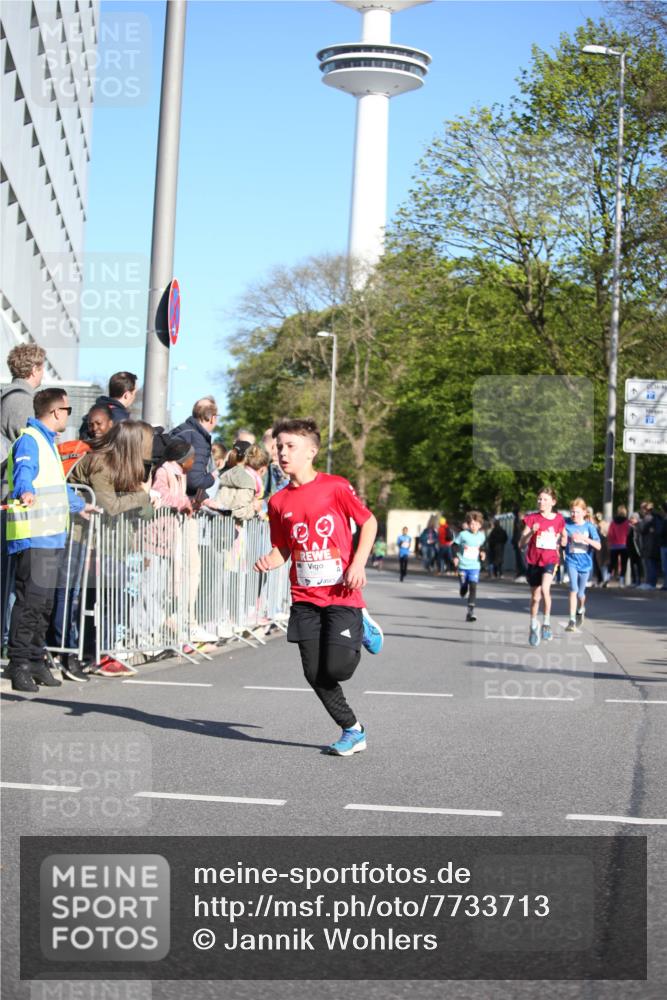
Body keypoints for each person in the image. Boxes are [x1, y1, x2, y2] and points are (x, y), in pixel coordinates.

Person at [254, 418, 382, 757]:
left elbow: (369, 522)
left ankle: (362, 624)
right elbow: (283, 548)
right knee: (315, 674)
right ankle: (353, 730)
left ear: (311, 452)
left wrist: (358, 564)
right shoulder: (278, 502)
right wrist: (269, 560)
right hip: (305, 598)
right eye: (279, 447)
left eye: (290, 446)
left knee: (337, 669)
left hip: (341, 594)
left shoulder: (335, 487)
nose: (282, 453)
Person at [4, 388, 97, 691]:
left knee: (44, 606)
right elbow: (24, 471)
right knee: (30, 604)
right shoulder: (30, 440)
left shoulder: (48, 443)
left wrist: (80, 505)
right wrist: (25, 490)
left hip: (51, 537)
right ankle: (18, 663)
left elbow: (57, 486)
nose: (68, 415)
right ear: (57, 411)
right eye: (67, 410)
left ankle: (35, 659)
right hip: (33, 536)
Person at [69, 420, 156, 676]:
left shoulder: (128, 467)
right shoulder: (100, 463)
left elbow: (146, 513)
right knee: (93, 601)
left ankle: (102, 653)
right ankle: (92, 654)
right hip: (84, 540)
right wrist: (143, 495)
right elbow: (110, 506)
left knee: (110, 600)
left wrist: (144, 494)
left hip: (112, 544)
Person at [519, 488, 567, 646]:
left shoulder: (559, 519)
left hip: (550, 560)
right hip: (534, 561)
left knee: (546, 589)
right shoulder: (531, 518)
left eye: (545, 499)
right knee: (535, 598)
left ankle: (546, 624)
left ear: (553, 502)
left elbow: (564, 535)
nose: (541, 502)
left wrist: (563, 542)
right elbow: (521, 543)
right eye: (539, 499)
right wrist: (530, 533)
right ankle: (533, 625)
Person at [563, 498, 601, 632]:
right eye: (572, 512)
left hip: (585, 563)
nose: (574, 515)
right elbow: (560, 537)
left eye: (577, 512)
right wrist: (564, 539)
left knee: (580, 593)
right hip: (571, 560)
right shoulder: (566, 524)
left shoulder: (589, 527)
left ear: (584, 513)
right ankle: (572, 620)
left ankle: (581, 609)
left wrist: (584, 538)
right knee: (573, 588)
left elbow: (598, 546)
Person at [202, 443, 269, 520]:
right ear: (263, 469)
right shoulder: (247, 481)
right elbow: (239, 511)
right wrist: (257, 512)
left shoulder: (236, 475)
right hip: (227, 521)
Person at [171, 397, 218, 498]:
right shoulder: (198, 439)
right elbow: (194, 481)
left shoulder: (181, 430)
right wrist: (212, 477)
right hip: (180, 500)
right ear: (212, 418)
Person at [78, 371, 138, 440]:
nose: (134, 397)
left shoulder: (92, 414)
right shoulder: (122, 421)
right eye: (134, 393)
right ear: (127, 395)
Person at [452, 511, 486, 622]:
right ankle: (463, 588)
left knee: (473, 586)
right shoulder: (463, 535)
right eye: (471, 524)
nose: (473, 526)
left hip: (475, 566)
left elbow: (482, 547)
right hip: (463, 565)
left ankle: (470, 612)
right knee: (464, 586)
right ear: (468, 524)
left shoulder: (481, 536)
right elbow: (454, 545)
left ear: (480, 525)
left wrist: (483, 553)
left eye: (476, 524)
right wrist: (455, 557)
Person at [636, 501, 663, 590]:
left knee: (650, 565)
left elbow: (641, 529)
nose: (641, 510)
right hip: (654, 545)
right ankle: (650, 583)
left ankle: (650, 583)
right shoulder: (657, 517)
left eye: (642, 508)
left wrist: (638, 523)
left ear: (646, 509)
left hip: (649, 545)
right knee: (651, 564)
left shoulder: (648, 518)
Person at [607, 504, 630, 586]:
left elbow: (610, 534)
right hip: (624, 545)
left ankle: (608, 578)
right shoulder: (627, 522)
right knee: (623, 564)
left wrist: (610, 543)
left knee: (612, 563)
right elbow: (629, 533)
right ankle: (621, 581)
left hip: (614, 546)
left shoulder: (613, 522)